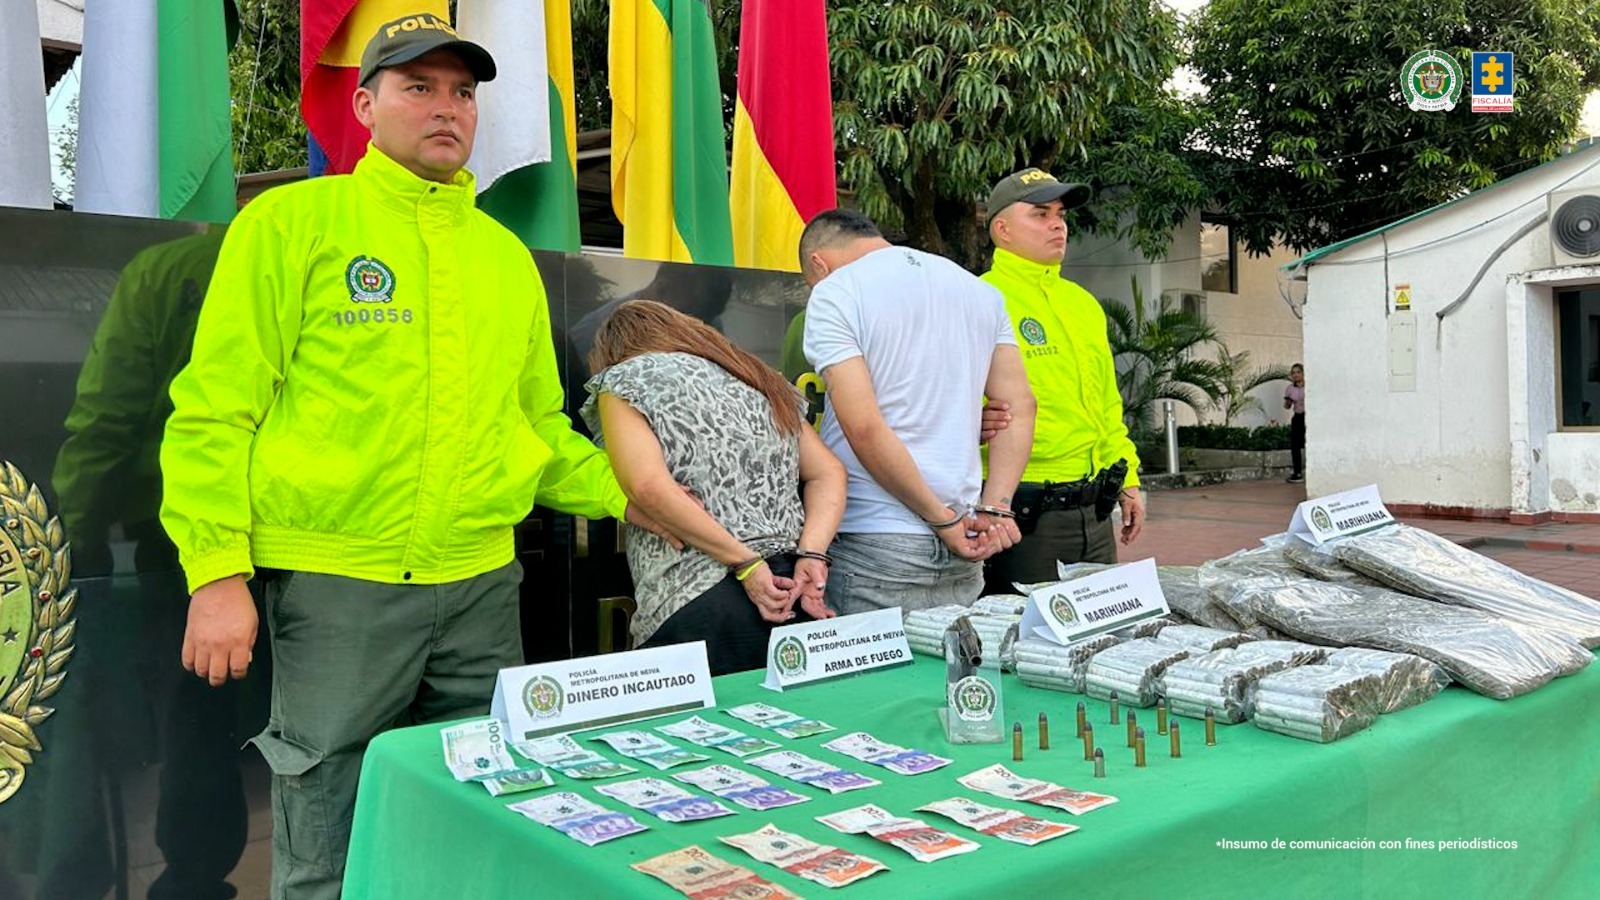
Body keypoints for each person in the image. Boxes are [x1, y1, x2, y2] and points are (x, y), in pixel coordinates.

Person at [158, 14, 659, 898]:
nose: (446, 108)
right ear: (365, 103)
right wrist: (215, 573)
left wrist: (645, 497)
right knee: (327, 831)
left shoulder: (504, 259)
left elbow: (538, 432)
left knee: (475, 816)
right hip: (338, 589)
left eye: (462, 92)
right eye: (417, 86)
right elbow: (212, 412)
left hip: (481, 591)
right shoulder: (289, 223)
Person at [583, 300, 846, 673]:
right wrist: (812, 555)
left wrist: (745, 564)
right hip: (791, 590)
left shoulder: (624, 379)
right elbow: (828, 472)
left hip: (693, 596)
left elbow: (647, 485)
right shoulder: (758, 378)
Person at [800, 210, 1036, 615]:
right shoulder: (976, 289)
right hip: (968, 535)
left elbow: (864, 426)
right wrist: (996, 507)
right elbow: (1020, 405)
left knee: (876, 677)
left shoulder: (836, 291)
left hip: (875, 536)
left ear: (818, 263)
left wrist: (939, 519)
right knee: (954, 671)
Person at [979, 167, 1146, 591]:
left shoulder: (1082, 304)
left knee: (1102, 634)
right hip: (1023, 515)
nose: (1057, 224)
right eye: (1039, 214)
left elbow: (1106, 405)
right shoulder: (980, 298)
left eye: (1060, 215)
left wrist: (1127, 480)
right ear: (1002, 228)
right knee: (1026, 648)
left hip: (1094, 508)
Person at [1284, 363, 1306, 483]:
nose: (1296, 375)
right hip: (1298, 417)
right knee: (1295, 445)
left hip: (1308, 417)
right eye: (1293, 373)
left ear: (1303, 373)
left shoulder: (1309, 386)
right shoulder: (1290, 389)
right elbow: (1287, 406)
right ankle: (1297, 473)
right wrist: (1288, 401)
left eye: (1298, 372)